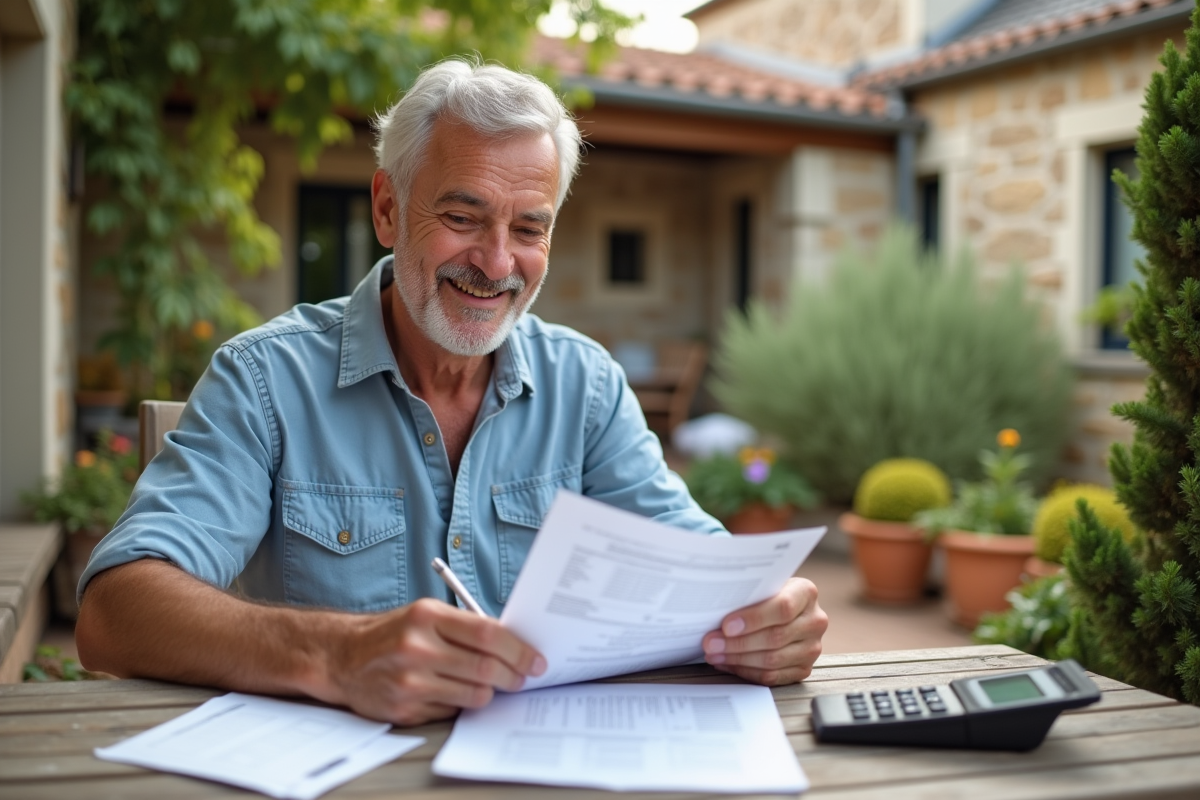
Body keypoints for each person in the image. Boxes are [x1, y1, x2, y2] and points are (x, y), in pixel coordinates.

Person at [75, 59, 827, 726]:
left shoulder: (586, 386)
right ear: (387, 209)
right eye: (463, 217)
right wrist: (334, 655)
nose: (496, 262)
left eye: (529, 228)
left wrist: (766, 617)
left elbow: (701, 570)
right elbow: (115, 611)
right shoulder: (266, 380)